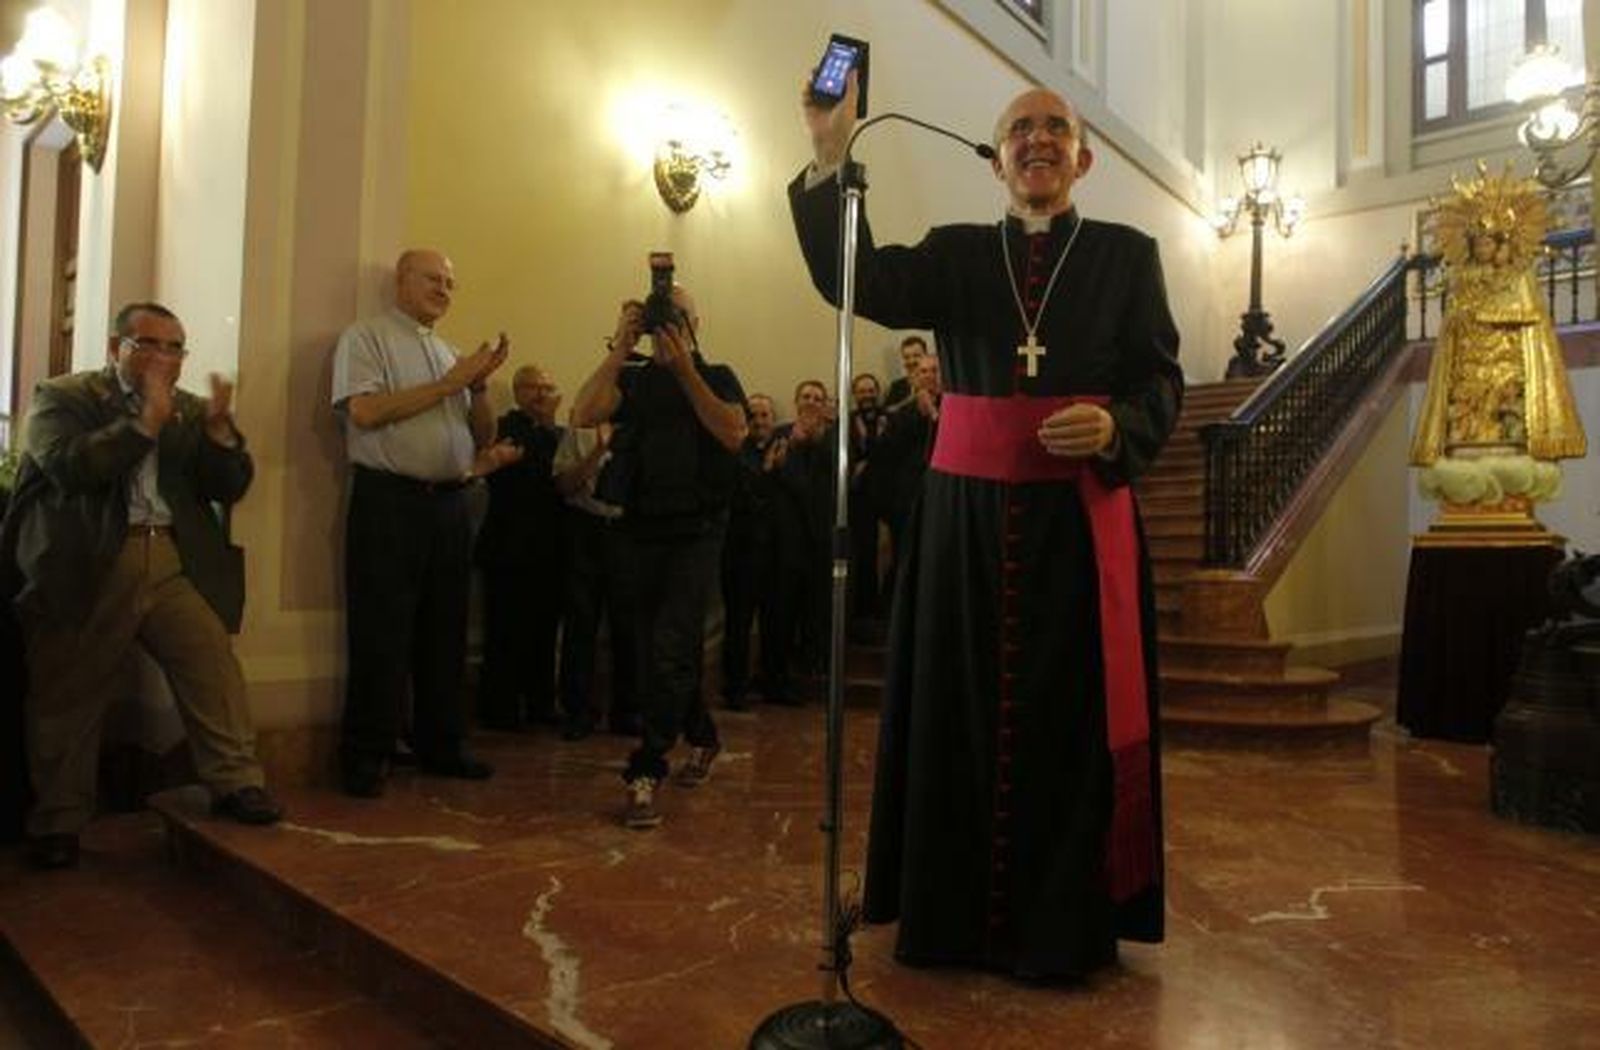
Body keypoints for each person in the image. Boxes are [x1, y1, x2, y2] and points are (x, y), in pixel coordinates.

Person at [791, 78, 1183, 980]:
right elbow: (854, 280)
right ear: (997, 157)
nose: (1038, 140)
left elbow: (1161, 380)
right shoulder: (957, 253)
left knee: (1069, 724)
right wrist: (827, 153)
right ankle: (948, 916)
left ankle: (1063, 929)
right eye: (1019, 129)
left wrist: (1120, 426)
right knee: (953, 709)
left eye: (1056, 129)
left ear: (1083, 158)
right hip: (962, 525)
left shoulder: (1128, 255)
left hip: (1079, 531)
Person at [0, 302, 282, 869]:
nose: (164, 358)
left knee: (210, 664)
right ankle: (58, 820)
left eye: (175, 347)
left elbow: (227, 487)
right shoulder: (65, 397)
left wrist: (223, 435)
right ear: (115, 349)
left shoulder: (188, 409)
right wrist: (143, 423)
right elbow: (69, 466)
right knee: (69, 692)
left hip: (170, 558)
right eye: (149, 345)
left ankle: (235, 782)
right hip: (89, 562)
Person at [331, 249, 521, 798]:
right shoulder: (366, 338)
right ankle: (367, 754)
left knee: (445, 630)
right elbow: (364, 413)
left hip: (450, 503)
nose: (444, 290)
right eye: (433, 279)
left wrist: (479, 385)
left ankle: (443, 744)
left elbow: (482, 436)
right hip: (389, 501)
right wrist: (449, 383)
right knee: (380, 630)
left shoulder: (448, 351)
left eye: (450, 283)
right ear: (402, 280)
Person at [571, 285, 747, 830]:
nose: (668, 330)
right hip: (639, 529)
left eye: (679, 319)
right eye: (659, 322)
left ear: (696, 324)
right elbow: (582, 412)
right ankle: (703, 735)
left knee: (671, 646)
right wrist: (621, 348)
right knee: (656, 648)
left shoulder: (717, 375)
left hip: (697, 531)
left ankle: (644, 770)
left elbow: (734, 433)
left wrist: (685, 371)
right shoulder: (635, 378)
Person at [475, 365, 568, 730]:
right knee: (504, 632)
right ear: (518, 392)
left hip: (550, 548)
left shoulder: (559, 434)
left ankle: (541, 703)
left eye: (548, 386)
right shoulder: (504, 428)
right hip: (507, 548)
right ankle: (500, 707)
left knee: (545, 633)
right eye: (534, 387)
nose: (542, 394)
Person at [553, 418, 639, 740]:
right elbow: (563, 484)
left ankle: (629, 711)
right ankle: (577, 712)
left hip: (628, 531)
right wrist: (599, 449)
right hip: (584, 528)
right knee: (580, 623)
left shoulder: (642, 427)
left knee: (628, 626)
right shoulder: (580, 428)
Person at [721, 393, 780, 711]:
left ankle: (770, 682)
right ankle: (735, 688)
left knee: (774, 621)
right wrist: (767, 471)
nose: (759, 421)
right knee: (738, 625)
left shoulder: (784, 449)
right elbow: (743, 498)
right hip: (740, 555)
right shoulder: (735, 454)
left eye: (765, 415)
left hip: (774, 555)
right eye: (753, 415)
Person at [882, 335, 928, 410]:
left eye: (916, 355)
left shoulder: (937, 382)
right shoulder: (896, 386)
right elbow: (887, 413)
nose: (911, 361)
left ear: (926, 356)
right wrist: (909, 400)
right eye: (906, 357)